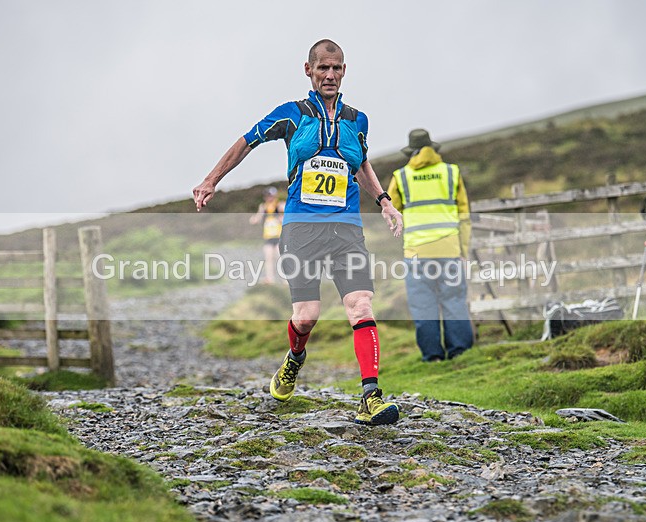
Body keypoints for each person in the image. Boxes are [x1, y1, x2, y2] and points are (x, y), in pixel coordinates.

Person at [193, 39, 403, 425]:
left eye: (337, 68)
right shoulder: (292, 114)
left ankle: (370, 396)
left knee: (360, 304)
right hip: (301, 228)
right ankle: (294, 359)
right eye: (323, 68)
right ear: (308, 70)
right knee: (306, 316)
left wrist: (384, 200)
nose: (330, 75)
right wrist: (212, 179)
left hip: (346, 228)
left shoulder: (358, 119)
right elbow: (247, 141)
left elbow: (361, 163)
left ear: (344, 70)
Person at [388, 129, 474, 362]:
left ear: (411, 152)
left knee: (422, 305)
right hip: (449, 250)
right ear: (433, 149)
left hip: (416, 253)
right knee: (454, 300)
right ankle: (460, 354)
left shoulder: (401, 176)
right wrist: (463, 250)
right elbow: (464, 216)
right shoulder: (451, 172)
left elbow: (390, 214)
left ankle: (433, 356)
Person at [249, 186, 285, 284]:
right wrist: (254, 219)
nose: (269, 198)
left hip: (279, 236)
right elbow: (257, 218)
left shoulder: (280, 205)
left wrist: (280, 218)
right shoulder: (263, 207)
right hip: (268, 236)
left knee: (281, 258)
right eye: (267, 196)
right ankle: (270, 279)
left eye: (271, 196)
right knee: (268, 258)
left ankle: (286, 280)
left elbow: (287, 217)